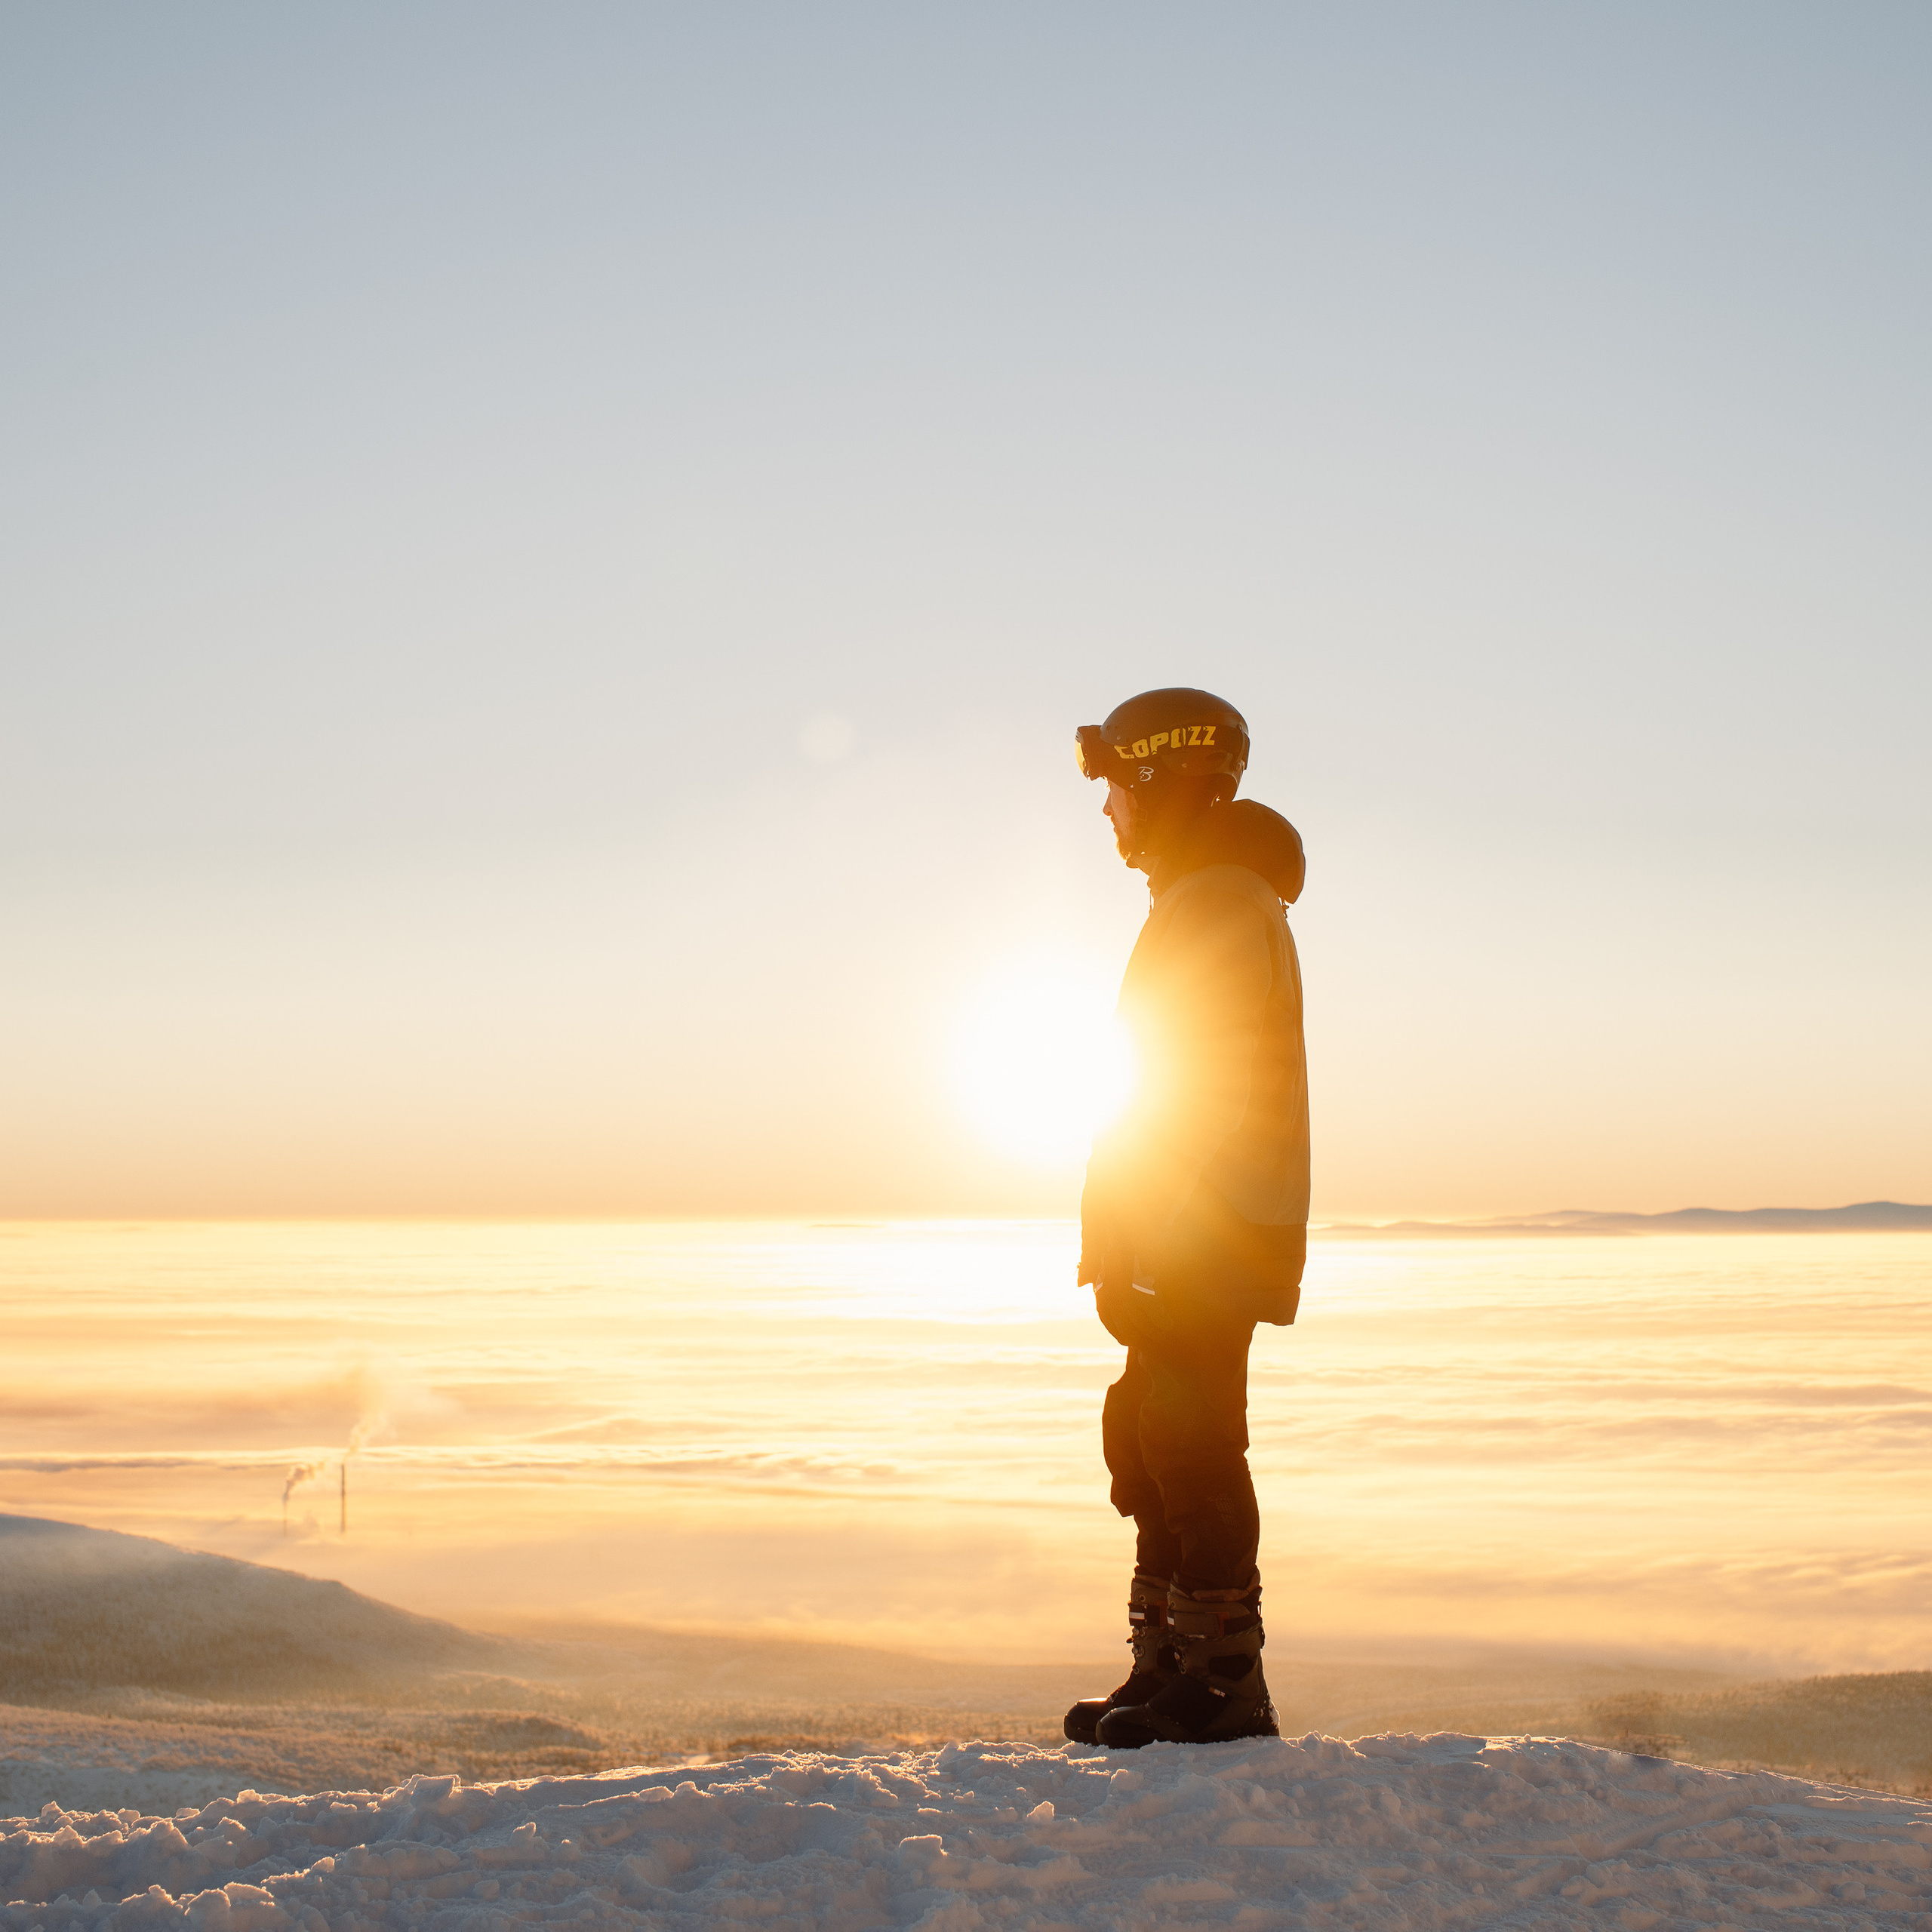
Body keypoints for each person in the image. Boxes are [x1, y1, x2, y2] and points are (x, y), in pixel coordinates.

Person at [1063, 688, 1309, 1750]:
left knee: (1194, 1444)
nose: (1106, 808)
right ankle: (1167, 1666)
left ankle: (1222, 1686)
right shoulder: (1199, 896)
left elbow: (1192, 1089)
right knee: (1154, 1434)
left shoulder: (1213, 901)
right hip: (1191, 1224)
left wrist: (1152, 1233)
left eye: (1115, 784)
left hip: (1204, 1227)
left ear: (1161, 781)